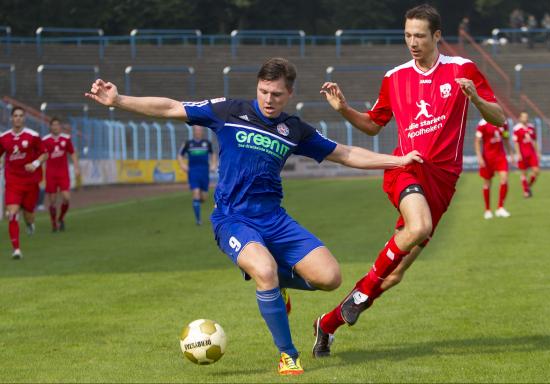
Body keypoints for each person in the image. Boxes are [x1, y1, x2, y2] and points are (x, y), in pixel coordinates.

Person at [85, 57, 422, 376]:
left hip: (275, 219)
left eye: (276, 94)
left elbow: (346, 154)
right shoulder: (229, 111)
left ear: (289, 94)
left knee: (330, 278)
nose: (269, 99)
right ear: (257, 87)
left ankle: (276, 284)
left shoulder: (295, 129)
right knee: (264, 271)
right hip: (233, 219)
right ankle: (288, 354)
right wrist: (118, 100)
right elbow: (172, 107)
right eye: (263, 91)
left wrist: (398, 161)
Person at [314, 4, 505, 357]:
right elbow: (373, 124)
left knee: (394, 276)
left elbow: (501, 119)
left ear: (436, 36)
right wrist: (344, 111)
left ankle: (327, 324)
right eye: (407, 35)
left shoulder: (463, 70)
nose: (412, 42)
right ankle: (357, 296)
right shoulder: (395, 77)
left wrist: (476, 99)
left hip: (443, 182)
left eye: (419, 35)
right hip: (405, 169)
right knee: (418, 226)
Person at [0, 107, 48, 259]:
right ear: (11, 119)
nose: (18, 118)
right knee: (12, 213)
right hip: (13, 182)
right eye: (15, 116)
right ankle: (16, 250)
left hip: (30, 182)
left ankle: (29, 224)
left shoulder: (33, 136)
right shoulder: (4, 138)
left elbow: (45, 153)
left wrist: (34, 164)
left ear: (24, 118)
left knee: (28, 214)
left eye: (21, 116)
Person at [42, 117, 80, 232]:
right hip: (51, 174)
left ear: (60, 126)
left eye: (57, 124)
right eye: (53, 125)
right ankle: (54, 224)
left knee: (66, 198)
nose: (55, 127)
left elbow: (72, 153)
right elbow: (42, 156)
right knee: (52, 200)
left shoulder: (66, 138)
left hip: (63, 173)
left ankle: (61, 218)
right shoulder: (45, 140)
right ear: (50, 127)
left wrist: (76, 167)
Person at [177, 125, 217, 225]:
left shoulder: (207, 143)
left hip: (204, 172)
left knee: (203, 197)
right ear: (194, 131)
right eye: (196, 130)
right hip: (193, 172)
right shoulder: (188, 143)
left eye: (200, 130)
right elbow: (180, 155)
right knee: (196, 193)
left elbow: (213, 154)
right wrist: (182, 165)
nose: (198, 132)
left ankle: (198, 201)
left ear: (202, 132)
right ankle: (198, 220)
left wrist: (213, 164)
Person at [474, 119, 513, 219]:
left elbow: (506, 137)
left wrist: (511, 153)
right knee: (487, 183)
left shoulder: (503, 122)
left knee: (504, 178)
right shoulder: (482, 124)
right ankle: (487, 210)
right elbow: (477, 141)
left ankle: (500, 207)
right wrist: (479, 157)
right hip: (487, 158)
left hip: (501, 156)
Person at [512, 112, 540, 198]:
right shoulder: (517, 129)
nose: (525, 118)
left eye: (526, 117)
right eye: (523, 117)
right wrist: (518, 153)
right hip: (522, 153)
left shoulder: (531, 127)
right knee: (524, 173)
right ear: (520, 118)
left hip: (531, 153)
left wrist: (537, 152)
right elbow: (516, 142)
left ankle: (527, 187)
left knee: (536, 171)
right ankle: (526, 192)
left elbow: (534, 140)